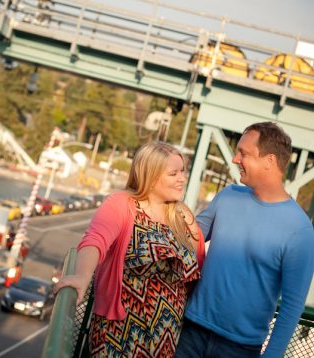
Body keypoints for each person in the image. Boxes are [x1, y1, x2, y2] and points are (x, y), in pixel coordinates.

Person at [54, 141, 206, 357]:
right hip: (120, 334)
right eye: (174, 173)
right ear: (151, 176)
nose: (182, 178)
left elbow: (196, 268)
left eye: (183, 171)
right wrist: (82, 276)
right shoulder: (121, 203)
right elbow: (95, 240)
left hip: (166, 336)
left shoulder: (182, 215)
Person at [176, 121, 314, 358]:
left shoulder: (300, 231)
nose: (235, 159)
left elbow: (292, 307)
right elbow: (185, 238)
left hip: (239, 350)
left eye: (244, 153)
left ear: (269, 161)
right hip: (190, 332)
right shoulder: (227, 196)